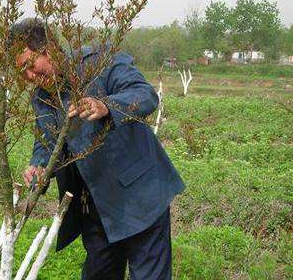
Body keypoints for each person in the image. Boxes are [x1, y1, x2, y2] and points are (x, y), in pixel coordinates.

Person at [14, 18, 185, 280]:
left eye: (30, 65)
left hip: (140, 195)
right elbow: (46, 143)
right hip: (95, 207)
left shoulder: (100, 62)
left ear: (48, 49)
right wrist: (38, 165)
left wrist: (106, 106)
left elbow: (145, 94)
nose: (29, 77)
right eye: (21, 72)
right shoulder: (42, 97)